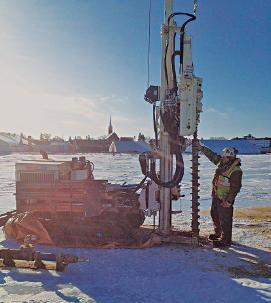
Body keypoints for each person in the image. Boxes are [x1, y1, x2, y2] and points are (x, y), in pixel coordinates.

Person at [194, 141, 243, 247]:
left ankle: (225, 240)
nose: (222, 158)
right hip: (217, 195)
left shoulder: (235, 171)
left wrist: (229, 201)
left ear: (230, 158)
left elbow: (235, 188)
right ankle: (218, 234)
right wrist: (201, 148)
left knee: (225, 219)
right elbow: (212, 156)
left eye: (225, 157)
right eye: (222, 156)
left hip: (225, 198)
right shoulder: (222, 164)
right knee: (215, 214)